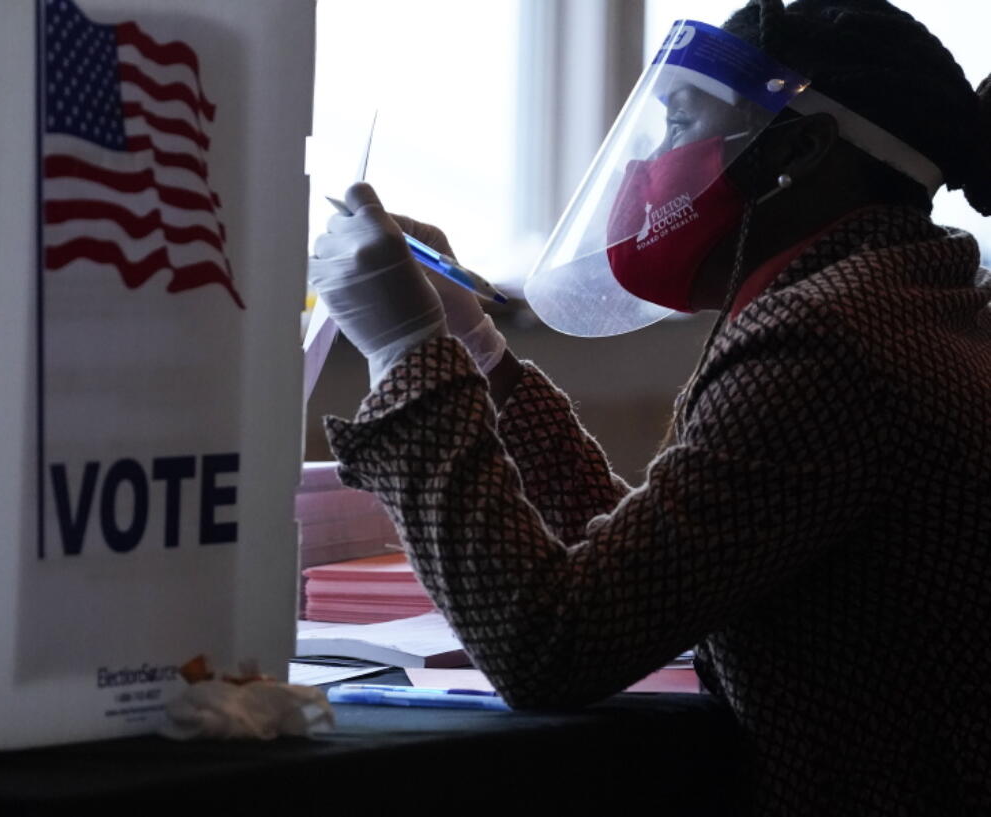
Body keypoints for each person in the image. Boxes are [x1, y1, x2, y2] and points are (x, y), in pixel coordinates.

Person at [307, 1, 991, 815]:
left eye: (683, 123)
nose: (658, 160)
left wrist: (404, 355)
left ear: (798, 149)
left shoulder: (827, 340)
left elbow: (555, 645)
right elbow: (653, 577)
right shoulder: (903, 299)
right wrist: (477, 350)